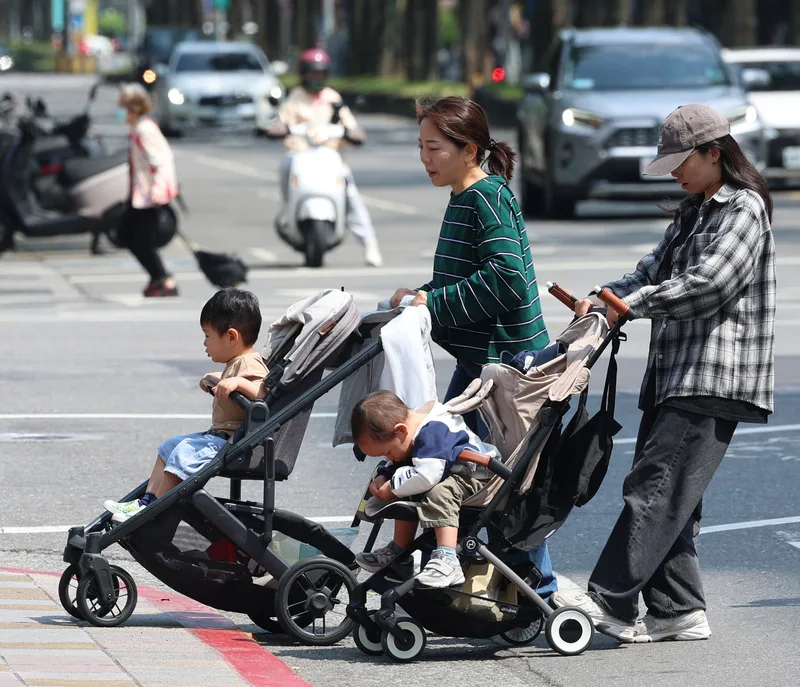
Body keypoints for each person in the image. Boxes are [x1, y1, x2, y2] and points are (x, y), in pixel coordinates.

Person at [550, 104, 776, 643]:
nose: (674, 172)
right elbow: (648, 272)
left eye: (681, 161)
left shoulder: (744, 209)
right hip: (676, 372)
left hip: (713, 375)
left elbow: (711, 283)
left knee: (653, 487)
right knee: (674, 495)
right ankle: (678, 608)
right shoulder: (694, 210)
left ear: (714, 154)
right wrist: (603, 298)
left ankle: (612, 601)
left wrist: (630, 306)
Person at [388, 96, 557, 597]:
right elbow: (469, 276)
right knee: (462, 461)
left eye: (435, 147)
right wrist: (421, 293)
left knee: (499, 473)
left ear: (470, 149)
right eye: (420, 146)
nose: (425, 157)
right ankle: (465, 570)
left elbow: (505, 279)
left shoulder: (486, 198)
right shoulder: (467, 196)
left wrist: (432, 303)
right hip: (481, 360)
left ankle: (537, 589)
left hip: (505, 363)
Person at [103, 288, 269, 522]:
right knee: (169, 447)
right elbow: (236, 380)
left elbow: (262, 392)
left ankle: (154, 511)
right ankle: (146, 501)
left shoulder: (250, 362)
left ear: (231, 337)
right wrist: (221, 379)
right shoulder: (237, 361)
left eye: (208, 336)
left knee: (182, 453)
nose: (204, 343)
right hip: (220, 437)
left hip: (233, 442)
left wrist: (238, 382)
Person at [352, 390, 498, 589]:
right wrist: (385, 474)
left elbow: (427, 475)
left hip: (476, 478)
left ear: (400, 431)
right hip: (449, 473)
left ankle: (448, 560)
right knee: (407, 483)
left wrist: (393, 487)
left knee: (436, 492)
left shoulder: (433, 430)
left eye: (387, 453)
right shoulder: (410, 430)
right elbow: (403, 459)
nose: (389, 458)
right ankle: (400, 554)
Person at [266, 48, 383, 267]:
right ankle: (287, 211)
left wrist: (351, 133)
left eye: (320, 73)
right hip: (299, 156)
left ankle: (369, 243)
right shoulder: (295, 98)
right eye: (312, 73)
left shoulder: (333, 99)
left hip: (331, 159)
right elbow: (278, 124)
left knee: (352, 194)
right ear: (304, 73)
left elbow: (354, 129)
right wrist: (281, 129)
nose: (316, 78)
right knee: (286, 167)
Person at [117, 83, 180, 298]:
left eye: (123, 106)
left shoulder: (145, 130)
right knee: (130, 236)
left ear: (132, 108)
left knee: (141, 240)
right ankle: (159, 278)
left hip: (148, 197)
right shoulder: (140, 128)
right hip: (139, 195)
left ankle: (164, 280)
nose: (119, 110)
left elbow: (161, 162)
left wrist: (158, 190)